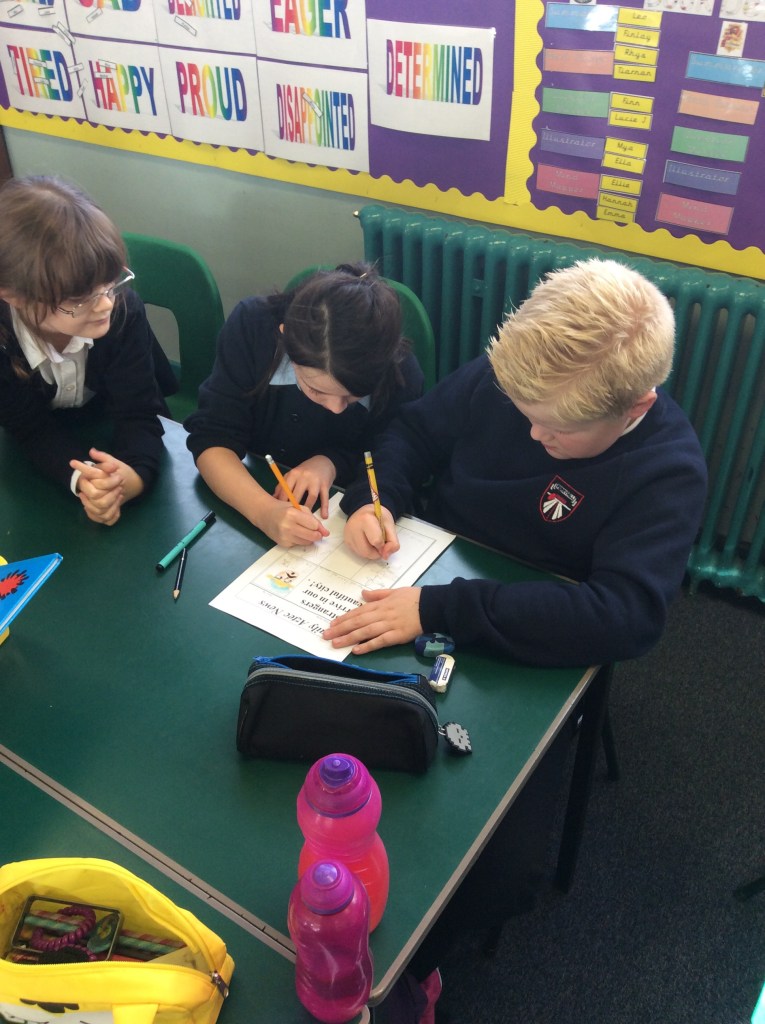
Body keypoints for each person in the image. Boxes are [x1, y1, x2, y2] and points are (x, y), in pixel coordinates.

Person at [324, 258, 708, 668]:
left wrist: (441, 610)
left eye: (558, 427)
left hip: (534, 622)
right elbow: (414, 433)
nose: (535, 434)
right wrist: (377, 499)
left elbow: (623, 617)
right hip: (427, 563)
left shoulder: (669, 472)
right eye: (523, 412)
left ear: (635, 408)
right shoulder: (516, 374)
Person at [185, 263, 424, 548]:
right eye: (317, 390)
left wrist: (331, 462)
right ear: (286, 339)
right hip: (253, 491)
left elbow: (390, 456)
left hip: (345, 506)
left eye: (353, 397)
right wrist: (264, 512)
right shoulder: (253, 327)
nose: (336, 409)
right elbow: (213, 438)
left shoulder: (399, 372)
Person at [0, 175, 176, 527]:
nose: (105, 304)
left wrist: (129, 481)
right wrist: (83, 479)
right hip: (41, 453)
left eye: (111, 283)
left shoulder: (122, 311)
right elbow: (31, 430)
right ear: (14, 297)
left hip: (113, 429)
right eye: (80, 299)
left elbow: (140, 413)